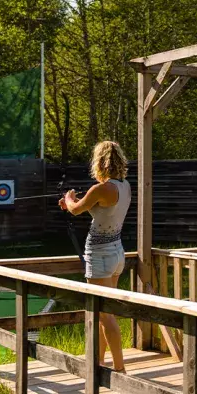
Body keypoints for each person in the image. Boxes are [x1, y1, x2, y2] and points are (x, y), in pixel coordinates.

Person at [59, 141, 130, 372]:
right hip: (116, 253)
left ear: (99, 162)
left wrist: (69, 199)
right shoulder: (124, 186)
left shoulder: (101, 189)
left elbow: (76, 208)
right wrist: (75, 204)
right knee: (104, 312)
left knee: (104, 314)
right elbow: (100, 212)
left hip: (101, 255)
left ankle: (120, 370)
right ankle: (99, 363)